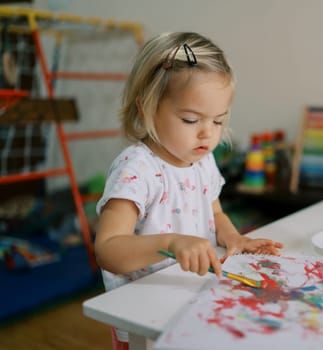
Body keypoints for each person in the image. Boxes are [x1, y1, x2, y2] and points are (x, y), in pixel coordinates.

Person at [94, 31, 283, 349]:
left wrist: (233, 237)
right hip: (144, 314)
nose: (208, 134)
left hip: (192, 297)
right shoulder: (137, 169)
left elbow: (215, 211)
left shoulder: (203, 160)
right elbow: (108, 249)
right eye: (191, 119)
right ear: (147, 109)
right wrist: (171, 242)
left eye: (219, 120)